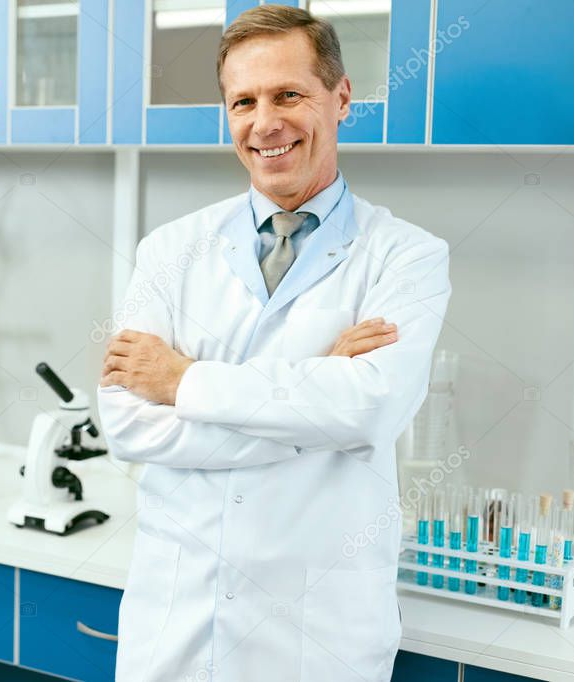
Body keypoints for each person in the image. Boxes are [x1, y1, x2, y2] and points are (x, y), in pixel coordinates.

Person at [96, 5, 451, 681]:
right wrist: (313, 390)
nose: (266, 123)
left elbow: (368, 410)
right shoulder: (169, 249)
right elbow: (125, 426)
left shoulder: (406, 258)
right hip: (179, 622)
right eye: (244, 101)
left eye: (289, 94)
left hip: (314, 636)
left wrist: (182, 383)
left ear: (340, 97)